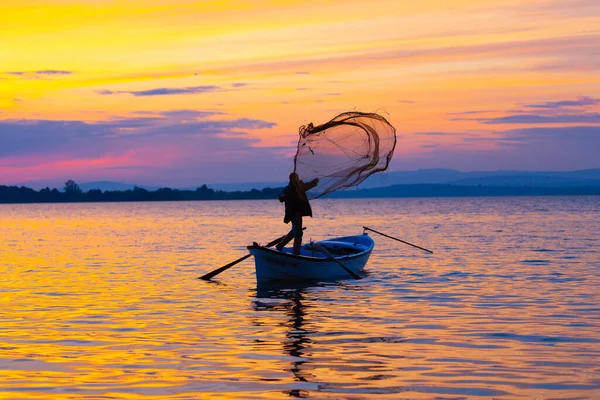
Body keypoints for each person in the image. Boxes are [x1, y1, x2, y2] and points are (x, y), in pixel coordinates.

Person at [276, 172, 319, 255]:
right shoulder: (289, 189)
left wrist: (314, 182)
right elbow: (281, 198)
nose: (297, 179)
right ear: (292, 179)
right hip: (294, 213)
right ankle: (296, 253)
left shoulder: (297, 187)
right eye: (296, 178)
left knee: (295, 230)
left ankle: (280, 245)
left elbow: (307, 185)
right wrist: (282, 197)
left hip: (295, 213)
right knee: (298, 232)